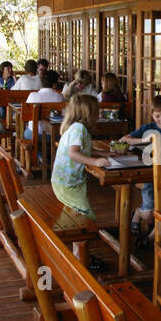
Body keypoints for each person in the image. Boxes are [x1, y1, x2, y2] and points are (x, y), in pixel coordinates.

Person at [52, 95, 109, 272]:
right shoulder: (79, 129)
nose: (99, 113)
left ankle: (76, 253)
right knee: (86, 219)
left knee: (76, 219)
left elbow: (82, 149)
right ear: (88, 112)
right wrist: (95, 163)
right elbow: (73, 153)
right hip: (68, 184)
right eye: (97, 110)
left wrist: (103, 155)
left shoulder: (75, 127)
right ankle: (79, 259)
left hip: (67, 182)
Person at [119, 94, 161, 248]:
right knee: (149, 214)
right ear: (152, 115)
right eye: (157, 116)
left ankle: (149, 240)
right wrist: (144, 140)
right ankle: (138, 213)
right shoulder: (148, 129)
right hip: (150, 176)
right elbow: (124, 140)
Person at [24, 71, 65, 143]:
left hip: (34, 134)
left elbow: (25, 115)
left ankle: (38, 153)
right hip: (53, 135)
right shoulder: (59, 97)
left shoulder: (32, 96)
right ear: (54, 85)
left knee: (25, 133)